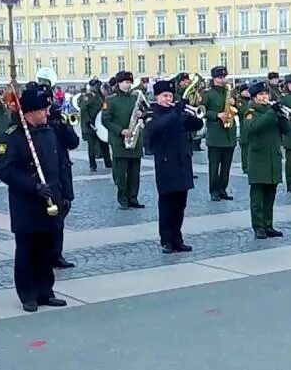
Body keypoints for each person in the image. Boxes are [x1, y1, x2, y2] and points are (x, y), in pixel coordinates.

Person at [0, 84, 71, 312]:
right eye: (43, 110)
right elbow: (5, 170)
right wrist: (33, 186)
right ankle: (27, 293)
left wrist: (64, 194)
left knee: (48, 248)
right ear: (28, 112)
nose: (47, 114)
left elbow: (60, 164)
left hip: (51, 200)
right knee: (27, 249)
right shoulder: (12, 136)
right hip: (27, 201)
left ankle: (45, 290)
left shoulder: (48, 131)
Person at [144, 79, 203, 252]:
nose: (168, 98)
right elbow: (155, 129)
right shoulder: (152, 113)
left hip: (182, 163)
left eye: (170, 95)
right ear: (157, 97)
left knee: (180, 205)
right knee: (167, 204)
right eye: (164, 96)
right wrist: (175, 112)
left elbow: (197, 125)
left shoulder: (177, 112)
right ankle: (166, 240)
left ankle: (177, 238)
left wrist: (192, 114)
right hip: (166, 164)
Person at [244, 82, 287, 239]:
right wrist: (272, 113)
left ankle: (268, 225)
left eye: (266, 94)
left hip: (273, 158)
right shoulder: (250, 112)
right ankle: (258, 227)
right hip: (258, 159)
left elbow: (287, 131)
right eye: (261, 95)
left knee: (270, 195)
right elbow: (254, 127)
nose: (264, 97)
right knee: (258, 197)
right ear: (255, 98)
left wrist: (282, 116)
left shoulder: (272, 111)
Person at [102, 71, 145, 209]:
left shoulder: (135, 98)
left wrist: (141, 114)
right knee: (121, 173)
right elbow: (105, 120)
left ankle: (133, 198)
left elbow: (145, 112)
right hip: (120, 141)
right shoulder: (110, 100)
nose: (128, 85)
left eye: (129, 82)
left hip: (135, 139)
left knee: (134, 173)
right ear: (119, 83)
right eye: (125, 82)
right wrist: (120, 131)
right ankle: (123, 199)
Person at [47, 91, 80, 268]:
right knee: (51, 215)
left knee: (63, 210)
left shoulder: (60, 121)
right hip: (48, 175)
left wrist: (64, 126)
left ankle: (57, 254)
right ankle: (48, 254)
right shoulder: (38, 126)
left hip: (63, 172)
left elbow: (73, 142)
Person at [201, 66, 237, 201]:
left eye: (224, 77)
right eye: (219, 78)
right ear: (214, 79)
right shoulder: (207, 94)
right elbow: (202, 111)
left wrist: (234, 103)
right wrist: (217, 115)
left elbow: (238, 106)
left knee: (226, 166)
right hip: (215, 134)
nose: (222, 80)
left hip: (229, 133)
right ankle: (214, 191)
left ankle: (223, 189)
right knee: (214, 166)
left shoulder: (230, 92)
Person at [79, 77, 112, 171]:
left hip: (99, 124)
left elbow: (104, 107)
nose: (98, 87)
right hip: (91, 125)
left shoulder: (100, 96)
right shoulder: (89, 96)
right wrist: (88, 121)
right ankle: (92, 165)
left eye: (98, 85)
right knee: (92, 146)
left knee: (104, 144)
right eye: (96, 85)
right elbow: (83, 108)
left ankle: (108, 162)